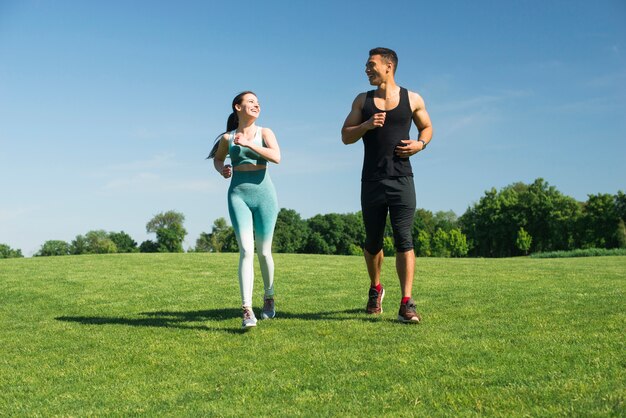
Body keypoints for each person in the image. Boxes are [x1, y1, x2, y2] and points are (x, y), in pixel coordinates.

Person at [341, 48, 433, 323]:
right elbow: (345, 136)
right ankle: (376, 287)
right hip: (371, 179)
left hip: (402, 178)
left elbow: (427, 127)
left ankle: (407, 302)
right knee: (373, 241)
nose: (366, 69)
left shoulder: (412, 98)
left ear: (389, 66)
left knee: (404, 238)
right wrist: (367, 124)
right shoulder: (363, 100)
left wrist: (420, 144)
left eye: (371, 65)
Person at [208, 91, 281, 329]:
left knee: (264, 252)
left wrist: (249, 143)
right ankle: (247, 309)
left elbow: (276, 157)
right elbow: (218, 159)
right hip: (238, 195)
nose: (256, 104)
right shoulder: (228, 139)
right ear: (237, 107)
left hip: (265, 196)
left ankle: (269, 296)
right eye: (250, 101)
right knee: (246, 251)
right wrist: (223, 170)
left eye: (258, 101)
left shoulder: (265, 132)